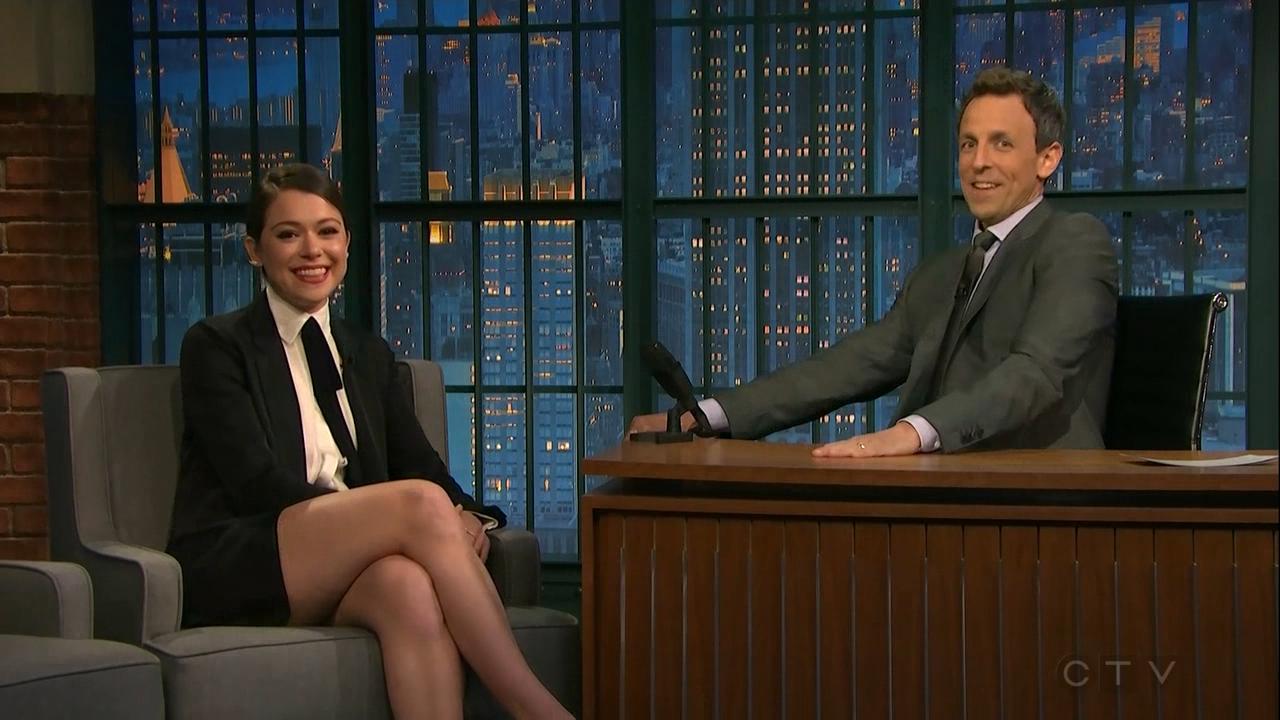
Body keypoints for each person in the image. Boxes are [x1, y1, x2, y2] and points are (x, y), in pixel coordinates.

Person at [167, 164, 572, 720]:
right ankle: (536, 709)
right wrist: (377, 525)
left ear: (347, 243)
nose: (312, 250)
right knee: (418, 505)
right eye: (288, 234)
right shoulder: (217, 346)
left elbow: (421, 465)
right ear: (254, 250)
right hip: (245, 556)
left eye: (327, 231)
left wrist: (470, 515)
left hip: (348, 559)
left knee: (407, 587)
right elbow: (254, 482)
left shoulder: (367, 353)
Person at [630, 66, 1118, 456]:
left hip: (1041, 503)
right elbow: (846, 367)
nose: (978, 162)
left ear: (1047, 159)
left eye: (1001, 143)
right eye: (969, 144)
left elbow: (1035, 374)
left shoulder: (1074, 243)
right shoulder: (940, 274)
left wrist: (911, 433)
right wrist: (708, 415)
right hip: (935, 497)